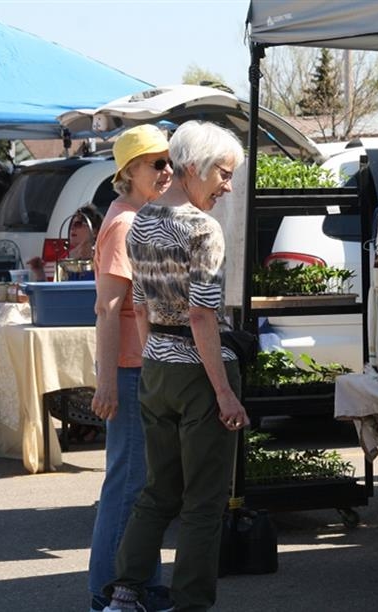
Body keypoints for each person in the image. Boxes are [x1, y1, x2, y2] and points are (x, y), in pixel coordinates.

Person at [102, 120, 248, 612]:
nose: (227, 186)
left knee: (157, 490)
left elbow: (140, 306)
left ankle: (125, 593)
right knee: (204, 502)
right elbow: (203, 314)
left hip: (156, 367)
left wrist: (153, 358)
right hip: (199, 372)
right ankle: (191, 604)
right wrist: (225, 391)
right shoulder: (203, 228)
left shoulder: (139, 220)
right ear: (194, 168)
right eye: (223, 174)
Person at [87, 125, 174, 612]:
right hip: (129, 369)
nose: (166, 171)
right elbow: (108, 309)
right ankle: (109, 591)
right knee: (129, 484)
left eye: (168, 162)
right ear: (128, 173)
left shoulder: (139, 216)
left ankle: (140, 582)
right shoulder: (124, 223)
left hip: (142, 366)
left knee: (143, 483)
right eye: (155, 164)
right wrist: (107, 384)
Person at [27, 203, 105, 281]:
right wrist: (40, 273)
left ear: (94, 231)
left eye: (78, 224)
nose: (72, 228)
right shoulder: (66, 259)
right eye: (71, 224)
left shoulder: (103, 259)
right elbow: (57, 290)